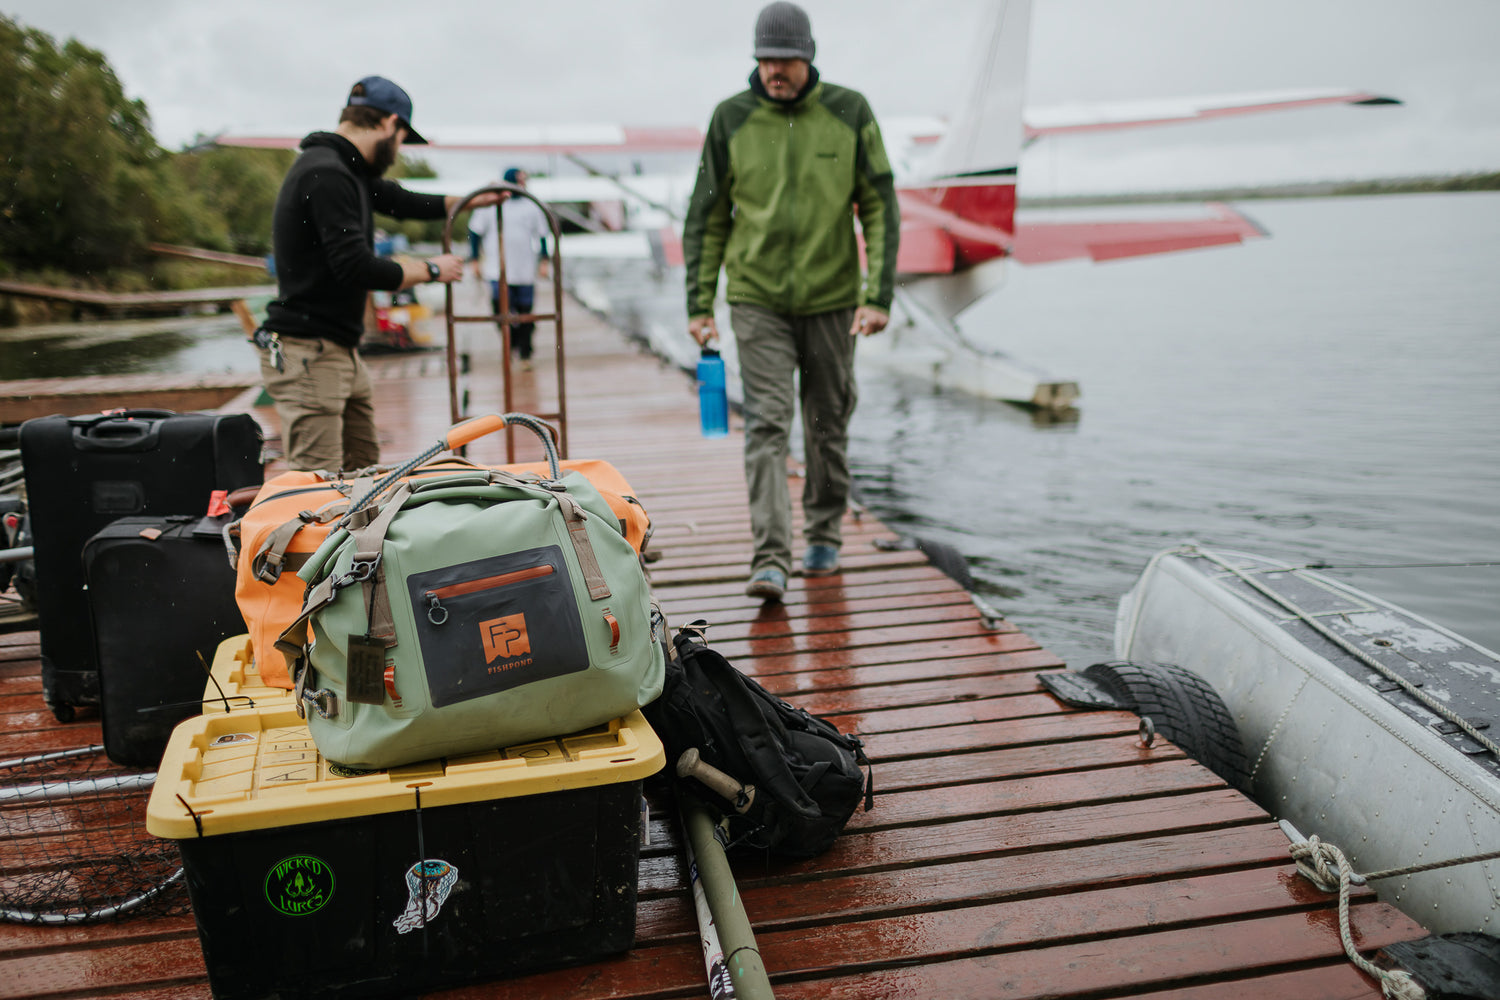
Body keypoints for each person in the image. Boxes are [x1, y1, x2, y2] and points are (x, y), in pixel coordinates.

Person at [682, 2, 899, 602]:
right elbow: (704, 216)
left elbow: (880, 203)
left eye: (787, 59)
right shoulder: (730, 118)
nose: (776, 69)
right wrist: (699, 304)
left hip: (833, 297)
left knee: (828, 419)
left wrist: (877, 294)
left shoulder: (850, 111)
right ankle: (770, 559)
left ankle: (825, 533)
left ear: (809, 57)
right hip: (757, 298)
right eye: (767, 58)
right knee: (769, 425)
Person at [257, 76, 499, 471]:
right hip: (309, 354)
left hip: (337, 351)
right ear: (389, 123)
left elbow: (400, 200)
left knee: (362, 468)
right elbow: (355, 267)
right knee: (316, 485)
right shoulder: (328, 173)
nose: (399, 148)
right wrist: (432, 269)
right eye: (403, 137)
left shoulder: (345, 170)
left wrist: (471, 200)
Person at [468, 167, 551, 370]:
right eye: (520, 180)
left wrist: (544, 260)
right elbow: (475, 232)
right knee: (500, 310)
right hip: (497, 270)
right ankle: (512, 344)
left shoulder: (532, 205)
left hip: (524, 270)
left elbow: (542, 234)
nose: (523, 184)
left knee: (525, 313)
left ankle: (525, 352)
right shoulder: (489, 205)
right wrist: (474, 259)